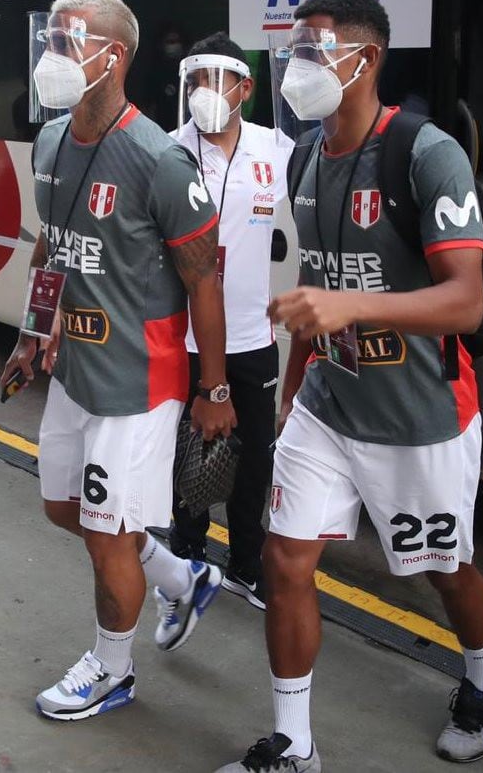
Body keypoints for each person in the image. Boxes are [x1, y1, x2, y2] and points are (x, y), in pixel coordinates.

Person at [218, 0, 483, 772]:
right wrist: (294, 380)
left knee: (443, 573)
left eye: (310, 53)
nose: (292, 69)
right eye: (290, 53)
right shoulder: (305, 155)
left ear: (364, 59)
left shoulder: (423, 151)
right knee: (283, 559)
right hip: (327, 404)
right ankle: (293, 744)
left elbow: (465, 302)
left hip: (420, 414)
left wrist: (347, 303)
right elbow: (320, 284)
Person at [0, 0, 237, 722]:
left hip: (140, 380)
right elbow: (53, 244)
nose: (54, 55)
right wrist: (33, 330)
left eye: (70, 41)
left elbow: (203, 278)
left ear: (115, 57)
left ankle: (111, 669)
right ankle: (179, 573)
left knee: (106, 537)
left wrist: (215, 391)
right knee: (61, 507)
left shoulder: (158, 158)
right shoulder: (47, 142)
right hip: (75, 372)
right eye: (51, 38)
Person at [168, 32, 294, 610]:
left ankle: (246, 564)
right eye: (196, 81)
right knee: (190, 454)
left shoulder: (277, 149)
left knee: (255, 459)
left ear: (245, 86)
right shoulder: (168, 151)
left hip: (252, 338)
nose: (205, 92)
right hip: (185, 338)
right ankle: (187, 560)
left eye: (218, 80)